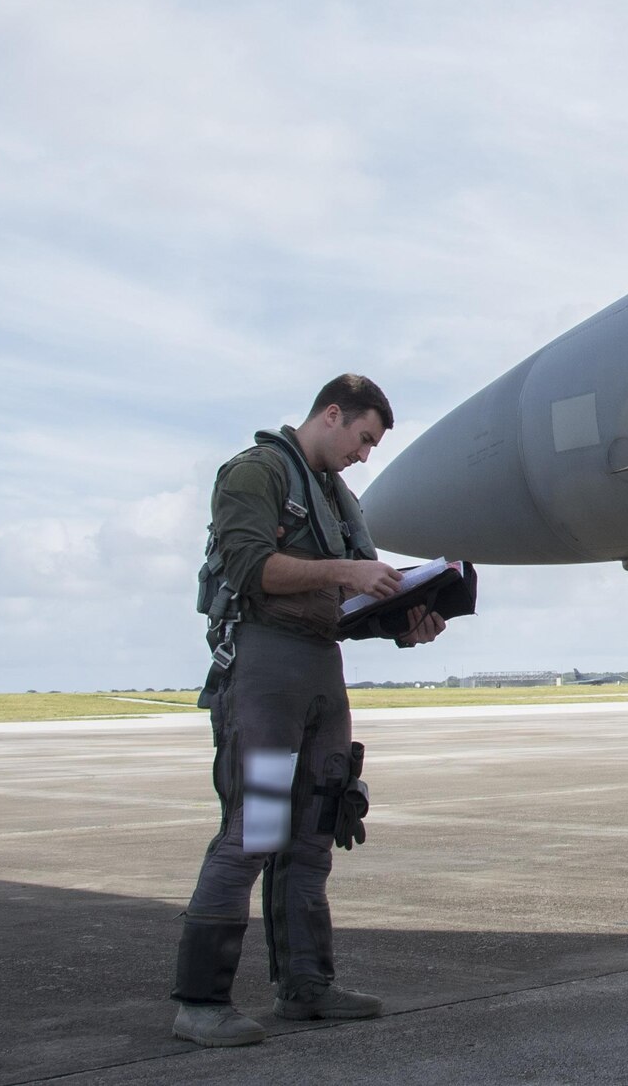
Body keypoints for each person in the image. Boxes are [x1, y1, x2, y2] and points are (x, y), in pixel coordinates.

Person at [170, 375, 447, 1048]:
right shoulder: (255, 472)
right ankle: (201, 1005)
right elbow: (250, 568)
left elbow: (350, 605)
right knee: (255, 832)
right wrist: (348, 573)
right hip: (267, 669)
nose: (364, 455)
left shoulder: (336, 498)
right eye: (363, 439)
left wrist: (403, 622)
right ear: (331, 414)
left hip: (322, 670)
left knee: (318, 829)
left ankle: (306, 987)